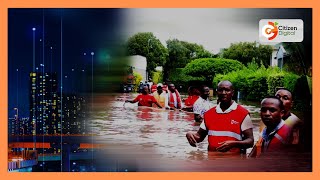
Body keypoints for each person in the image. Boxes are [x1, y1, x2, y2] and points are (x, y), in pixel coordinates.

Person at [186, 80, 254, 154]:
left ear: (232, 93)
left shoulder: (243, 113)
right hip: (212, 162)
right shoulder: (209, 114)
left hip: (234, 162)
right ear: (216, 92)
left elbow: (250, 141)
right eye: (220, 90)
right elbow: (199, 137)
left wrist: (233, 144)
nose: (224, 93)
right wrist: (190, 134)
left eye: (227, 90)